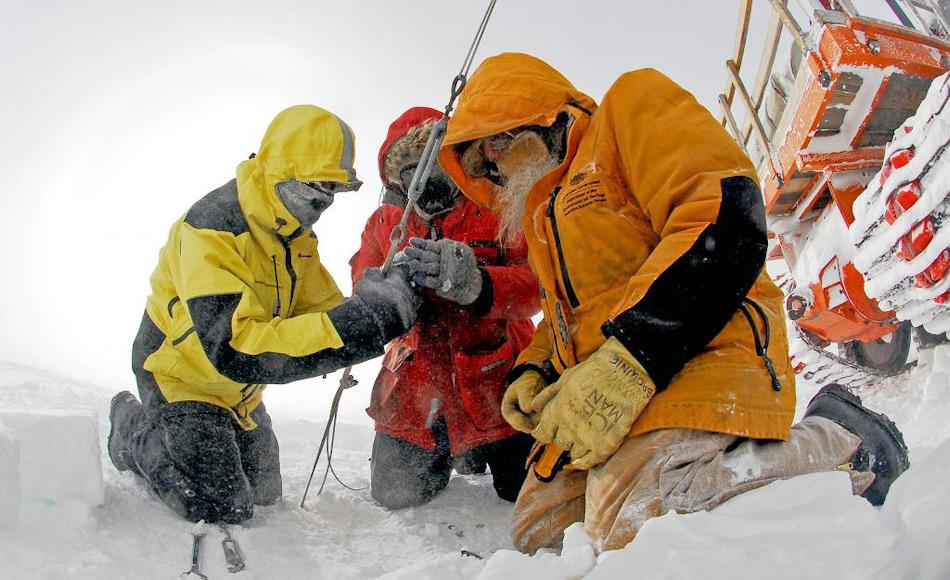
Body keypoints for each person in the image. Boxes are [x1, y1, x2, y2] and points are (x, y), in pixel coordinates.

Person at [436, 53, 911, 553]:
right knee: (540, 536)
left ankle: (845, 442)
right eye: (477, 161)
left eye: (490, 143)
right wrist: (532, 372)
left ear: (527, 115)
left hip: (699, 355)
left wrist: (634, 357)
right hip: (608, 394)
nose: (490, 164)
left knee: (637, 518)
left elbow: (725, 215)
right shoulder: (542, 219)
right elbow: (564, 321)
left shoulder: (627, 111)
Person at [106, 105, 421, 524]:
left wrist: (378, 300)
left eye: (333, 190)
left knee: (265, 494)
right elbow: (234, 347)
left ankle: (216, 428)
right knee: (220, 505)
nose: (324, 202)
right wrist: (359, 323)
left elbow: (323, 310)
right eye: (317, 186)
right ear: (283, 172)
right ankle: (132, 426)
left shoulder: (292, 231)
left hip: (240, 391)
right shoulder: (212, 229)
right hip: (182, 378)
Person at [350, 107, 540, 508]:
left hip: (499, 382)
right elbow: (361, 288)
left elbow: (539, 287)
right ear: (395, 176)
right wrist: (392, 297)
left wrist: (479, 285)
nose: (423, 176)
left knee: (524, 491)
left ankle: (482, 450)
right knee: (396, 496)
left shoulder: (500, 208)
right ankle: (448, 449)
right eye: (409, 167)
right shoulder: (384, 225)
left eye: (434, 162)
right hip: (413, 394)